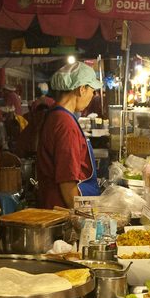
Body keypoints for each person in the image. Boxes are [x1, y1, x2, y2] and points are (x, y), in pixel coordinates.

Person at [36, 62, 103, 209]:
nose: (93, 95)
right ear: (82, 89)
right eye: (92, 90)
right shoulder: (66, 124)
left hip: (51, 204)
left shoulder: (54, 115)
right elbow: (67, 181)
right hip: (62, 210)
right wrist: (81, 217)